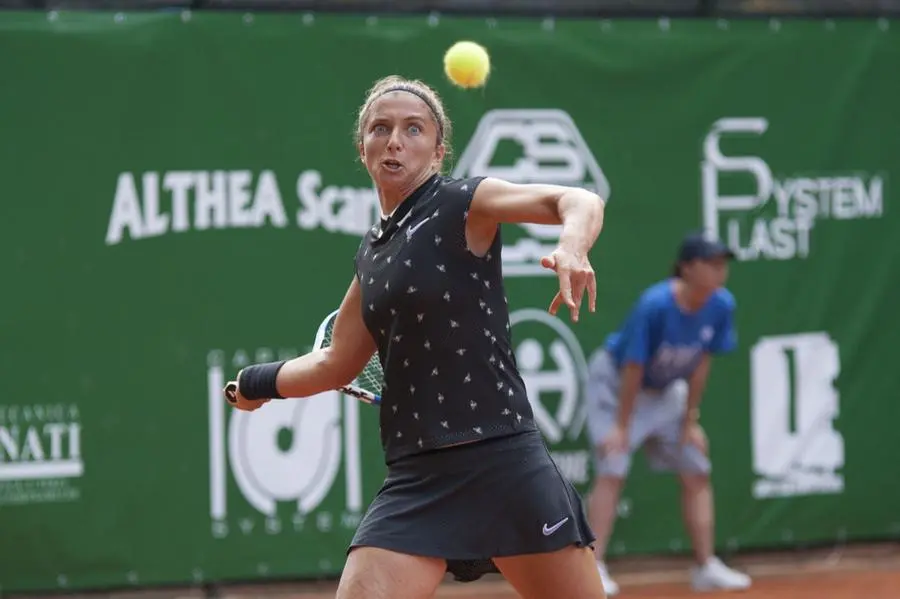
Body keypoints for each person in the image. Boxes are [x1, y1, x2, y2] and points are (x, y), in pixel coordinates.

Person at [225, 75, 608, 599]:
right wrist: (255, 383)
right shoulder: (371, 254)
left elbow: (577, 199)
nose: (394, 140)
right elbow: (336, 362)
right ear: (363, 148)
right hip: (418, 477)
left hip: (503, 463)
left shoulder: (463, 202)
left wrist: (572, 246)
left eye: (413, 129)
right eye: (380, 129)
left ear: (437, 149)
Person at [584, 233, 752, 596]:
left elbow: (700, 365)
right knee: (613, 467)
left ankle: (705, 566)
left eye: (723, 264)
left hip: (666, 393)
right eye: (712, 263)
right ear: (687, 268)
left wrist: (690, 422)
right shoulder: (655, 304)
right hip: (617, 387)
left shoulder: (722, 305)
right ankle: (593, 567)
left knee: (697, 468)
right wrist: (621, 427)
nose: (720, 271)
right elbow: (633, 366)